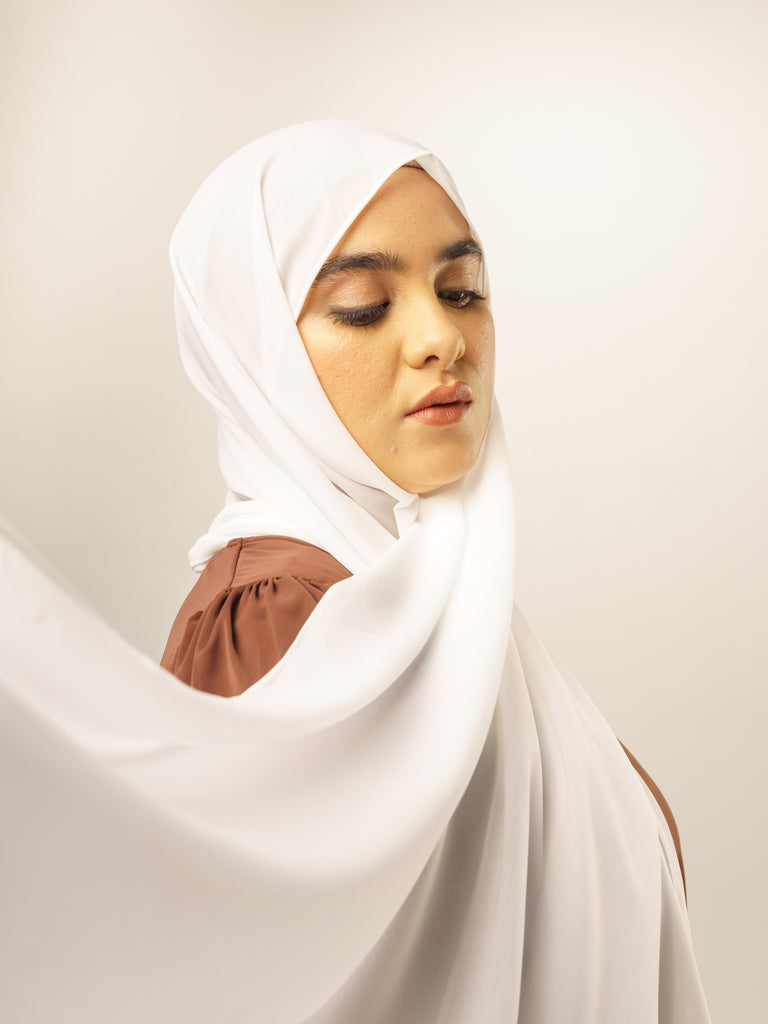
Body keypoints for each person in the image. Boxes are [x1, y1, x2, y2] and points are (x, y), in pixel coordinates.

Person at [0, 120, 710, 1023]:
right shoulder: (282, 619)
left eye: (462, 290)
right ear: (253, 351)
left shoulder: (442, 605)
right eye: (365, 306)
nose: (442, 337)